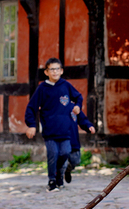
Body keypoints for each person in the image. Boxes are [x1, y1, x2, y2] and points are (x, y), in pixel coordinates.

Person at [25, 58, 84, 191]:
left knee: (65, 153)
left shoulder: (66, 85)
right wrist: (31, 125)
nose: (55, 72)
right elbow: (31, 107)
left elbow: (78, 97)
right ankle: (52, 180)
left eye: (57, 69)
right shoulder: (42, 88)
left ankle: (59, 175)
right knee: (53, 154)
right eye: (52, 69)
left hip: (65, 130)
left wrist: (78, 106)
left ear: (61, 71)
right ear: (46, 72)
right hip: (50, 130)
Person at [64, 109, 97, 184]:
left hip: (73, 139)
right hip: (60, 138)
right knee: (61, 159)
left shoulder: (74, 107)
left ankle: (67, 170)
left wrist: (89, 126)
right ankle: (57, 178)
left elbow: (83, 119)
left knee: (76, 160)